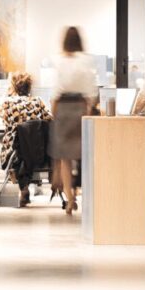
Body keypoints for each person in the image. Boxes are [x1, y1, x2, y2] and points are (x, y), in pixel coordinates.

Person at [48, 27, 98, 215]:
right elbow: (91, 91)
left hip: (62, 107)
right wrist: (89, 109)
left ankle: (70, 199)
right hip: (80, 107)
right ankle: (87, 195)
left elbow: (55, 90)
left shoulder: (59, 60)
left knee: (64, 158)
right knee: (85, 154)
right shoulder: (86, 60)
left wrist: (54, 114)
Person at [0, 72, 52, 207]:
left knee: (18, 148)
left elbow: (3, 121)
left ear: (13, 87)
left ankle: (22, 188)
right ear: (29, 87)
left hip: (16, 153)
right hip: (39, 151)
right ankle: (24, 187)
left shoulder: (7, 103)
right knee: (27, 146)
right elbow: (50, 120)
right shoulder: (37, 101)